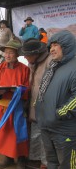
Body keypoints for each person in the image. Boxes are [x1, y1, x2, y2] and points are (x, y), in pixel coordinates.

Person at [35, 30, 76, 168]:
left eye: (55, 45)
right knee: (52, 163)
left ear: (66, 46)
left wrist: (59, 113)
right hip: (47, 126)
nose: (51, 49)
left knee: (68, 165)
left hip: (65, 130)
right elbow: (44, 92)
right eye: (50, 46)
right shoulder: (53, 67)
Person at [0, 39, 30, 169]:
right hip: (2, 107)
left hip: (17, 106)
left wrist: (19, 90)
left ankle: (22, 158)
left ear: (17, 54)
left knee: (18, 132)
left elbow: (28, 87)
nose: (8, 55)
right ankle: (9, 158)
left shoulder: (25, 69)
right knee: (6, 134)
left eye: (11, 52)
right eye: (6, 52)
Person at [20, 38, 51, 169]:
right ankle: (35, 159)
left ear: (36, 54)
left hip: (46, 106)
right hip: (34, 104)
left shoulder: (50, 62)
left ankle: (45, 162)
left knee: (45, 136)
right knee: (35, 133)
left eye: (27, 55)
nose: (26, 58)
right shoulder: (32, 63)